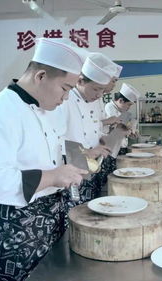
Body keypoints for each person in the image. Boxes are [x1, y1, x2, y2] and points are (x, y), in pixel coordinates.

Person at [0, 38, 90, 280]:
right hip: (15, 228)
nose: (66, 98)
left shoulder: (49, 110)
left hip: (52, 217)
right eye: (65, 88)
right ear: (41, 76)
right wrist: (53, 176)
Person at [52, 52, 123, 199]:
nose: (99, 95)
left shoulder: (92, 100)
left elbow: (93, 128)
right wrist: (85, 152)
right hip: (72, 170)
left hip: (91, 166)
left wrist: (102, 138)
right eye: (96, 89)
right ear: (80, 81)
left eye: (103, 90)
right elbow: (55, 140)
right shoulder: (64, 99)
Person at [104, 83, 141, 155]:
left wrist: (132, 132)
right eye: (129, 104)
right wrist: (128, 131)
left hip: (121, 147)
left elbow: (125, 127)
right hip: (111, 150)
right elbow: (116, 127)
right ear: (120, 100)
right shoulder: (109, 107)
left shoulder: (122, 111)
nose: (129, 107)